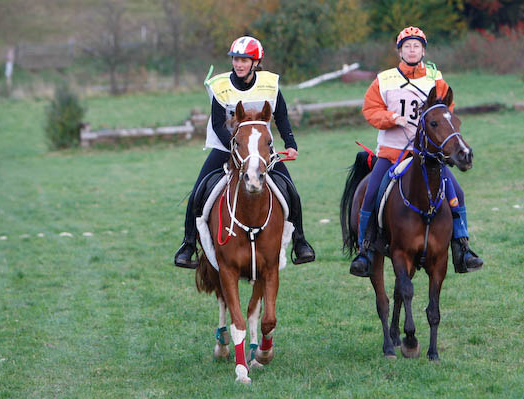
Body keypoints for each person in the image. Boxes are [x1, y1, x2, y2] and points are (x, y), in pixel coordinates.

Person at [349, 26, 483, 277]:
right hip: (391, 152)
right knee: (371, 193)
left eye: (416, 46)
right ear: (400, 51)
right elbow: (370, 109)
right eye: (407, 46)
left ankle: (462, 248)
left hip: (427, 156)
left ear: (423, 50)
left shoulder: (436, 79)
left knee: (457, 194)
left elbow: (446, 111)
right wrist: (391, 118)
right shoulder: (385, 79)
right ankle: (365, 250)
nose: (412, 50)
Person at [174, 36, 315, 268]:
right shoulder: (220, 86)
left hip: (260, 152)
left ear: (255, 62)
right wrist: (235, 148)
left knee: (291, 191)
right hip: (226, 148)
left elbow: (281, 116)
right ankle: (188, 244)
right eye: (236, 59)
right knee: (198, 192)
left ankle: (300, 241)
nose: (239, 64)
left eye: (244, 60)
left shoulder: (269, 84)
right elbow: (218, 124)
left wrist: (290, 143)